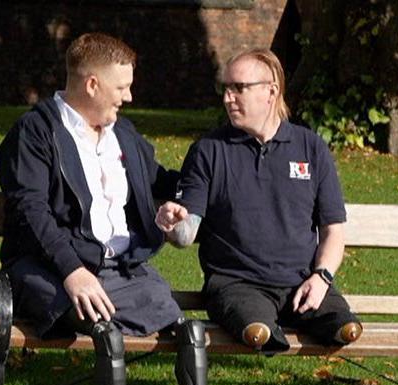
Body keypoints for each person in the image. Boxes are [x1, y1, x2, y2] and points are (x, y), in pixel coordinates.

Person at [0, 33, 208, 385]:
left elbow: (162, 181)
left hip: (122, 270)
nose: (127, 97)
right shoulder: (36, 132)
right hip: (50, 268)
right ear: (92, 84)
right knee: (105, 333)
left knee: (190, 330)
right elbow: (30, 211)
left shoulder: (122, 135)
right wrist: (72, 270)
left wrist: (172, 204)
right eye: (121, 87)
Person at [155, 49, 362, 354]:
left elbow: (333, 230)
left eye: (239, 88)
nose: (228, 98)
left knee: (347, 329)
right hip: (236, 284)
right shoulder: (208, 151)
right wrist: (173, 225)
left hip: (303, 283)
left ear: (271, 91)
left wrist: (321, 278)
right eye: (225, 88)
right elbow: (187, 233)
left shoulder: (311, 147)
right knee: (257, 331)